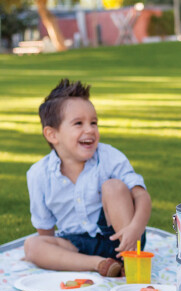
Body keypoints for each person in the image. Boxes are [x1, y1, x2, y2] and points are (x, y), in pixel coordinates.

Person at [24, 79, 152, 277]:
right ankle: (100, 264)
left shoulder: (109, 157)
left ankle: (129, 260)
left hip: (122, 236)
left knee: (113, 187)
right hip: (78, 243)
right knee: (32, 246)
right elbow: (45, 228)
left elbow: (141, 196)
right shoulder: (38, 175)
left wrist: (135, 228)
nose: (90, 130)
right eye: (78, 123)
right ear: (52, 135)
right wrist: (48, 253)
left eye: (94, 123)